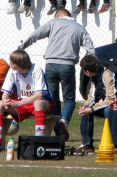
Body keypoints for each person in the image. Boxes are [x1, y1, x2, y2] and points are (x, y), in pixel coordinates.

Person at [19, 8, 95, 141]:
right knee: (69, 99)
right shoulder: (80, 28)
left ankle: (58, 131)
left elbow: (35, 35)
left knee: (53, 100)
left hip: (51, 64)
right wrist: (88, 66)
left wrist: (21, 48)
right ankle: (64, 120)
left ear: (59, 15)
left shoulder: (53, 23)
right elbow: (91, 50)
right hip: (68, 65)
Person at [0, 49, 55, 153]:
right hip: (22, 103)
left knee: (38, 103)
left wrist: (18, 103)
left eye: (13, 62)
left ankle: (39, 140)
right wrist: (5, 100)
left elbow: (39, 95)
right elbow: (5, 92)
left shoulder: (36, 69)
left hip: (41, 102)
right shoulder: (12, 71)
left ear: (20, 63)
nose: (10, 64)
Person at [78, 54, 117, 154]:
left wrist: (92, 109)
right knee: (85, 111)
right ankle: (87, 144)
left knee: (110, 109)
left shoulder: (107, 74)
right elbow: (92, 96)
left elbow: (111, 98)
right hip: (108, 103)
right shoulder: (94, 77)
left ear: (87, 71)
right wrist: (86, 106)